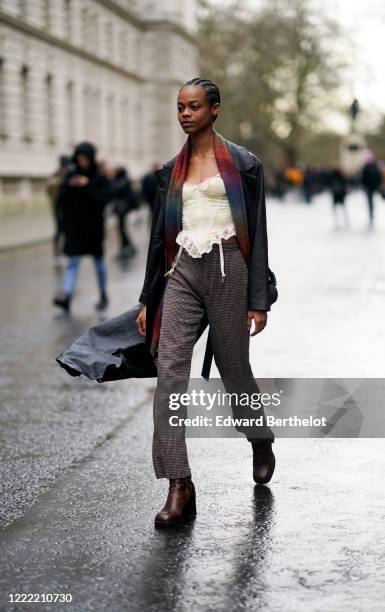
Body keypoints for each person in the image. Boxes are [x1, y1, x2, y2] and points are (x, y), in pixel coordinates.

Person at [135, 78, 276, 528]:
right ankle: (179, 484)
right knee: (170, 372)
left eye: (194, 106)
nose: (185, 114)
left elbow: (258, 233)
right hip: (182, 272)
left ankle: (259, 438)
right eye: (180, 107)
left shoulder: (243, 164)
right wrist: (146, 299)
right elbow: (159, 238)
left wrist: (258, 300)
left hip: (229, 266)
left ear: (214, 110)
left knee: (235, 371)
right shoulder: (170, 170)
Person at [53, 142, 112, 313]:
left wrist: (87, 186)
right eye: (79, 158)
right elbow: (61, 200)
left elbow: (103, 200)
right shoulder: (70, 175)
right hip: (75, 228)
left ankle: (103, 294)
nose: (82, 161)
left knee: (98, 262)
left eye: (85, 158)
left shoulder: (99, 178)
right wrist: (71, 186)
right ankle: (67, 296)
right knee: (72, 261)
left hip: (94, 229)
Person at [46, 155, 71, 267]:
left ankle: (57, 254)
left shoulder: (54, 175)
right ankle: (65, 253)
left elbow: (48, 191)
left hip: (56, 208)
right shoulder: (66, 176)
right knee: (66, 231)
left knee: (59, 231)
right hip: (65, 208)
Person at [111, 166, 138, 260]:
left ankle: (126, 246)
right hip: (121, 208)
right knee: (121, 228)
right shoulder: (121, 180)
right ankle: (127, 246)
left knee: (121, 228)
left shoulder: (123, 181)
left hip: (122, 208)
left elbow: (115, 189)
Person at [361, 151, 382, 228]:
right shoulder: (374, 166)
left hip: (369, 188)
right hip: (373, 187)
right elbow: (379, 176)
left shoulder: (366, 167)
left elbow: (363, 178)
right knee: (371, 202)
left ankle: (371, 214)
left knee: (370, 202)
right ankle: (371, 214)